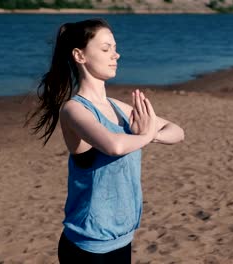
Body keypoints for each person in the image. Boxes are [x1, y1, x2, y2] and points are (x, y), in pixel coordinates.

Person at [25, 18, 184, 263]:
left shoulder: (118, 108)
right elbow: (114, 146)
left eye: (115, 48)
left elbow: (177, 131)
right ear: (80, 55)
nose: (116, 55)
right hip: (88, 244)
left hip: (123, 237)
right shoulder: (74, 110)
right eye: (105, 48)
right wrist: (145, 134)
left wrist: (149, 135)